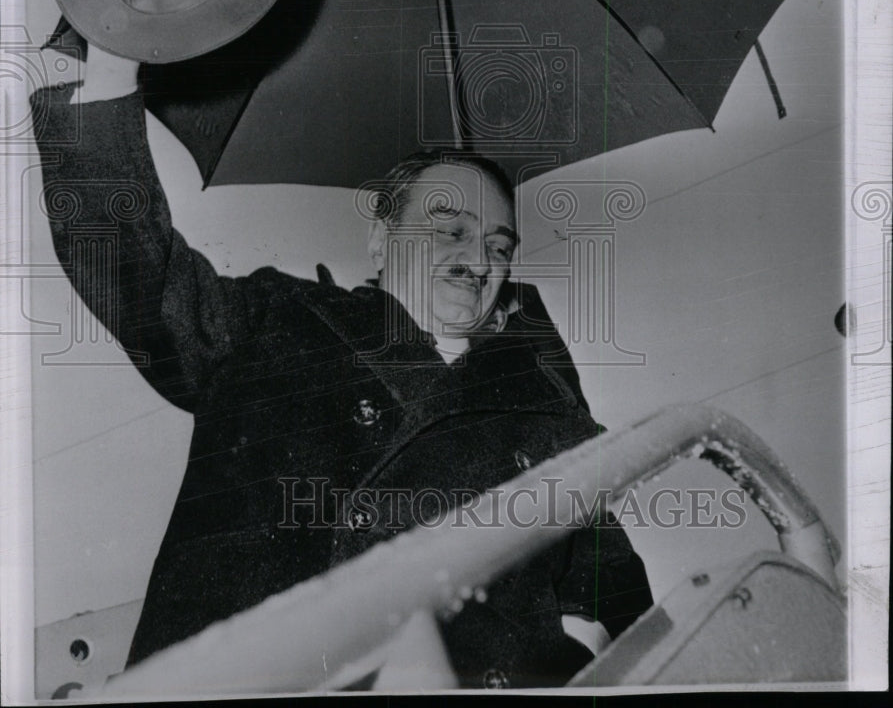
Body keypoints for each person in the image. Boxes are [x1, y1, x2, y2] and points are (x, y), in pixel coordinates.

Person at [30, 41, 653, 690]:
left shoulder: (540, 408)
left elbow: (610, 592)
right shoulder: (279, 321)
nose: (479, 257)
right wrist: (111, 66)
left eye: (499, 244)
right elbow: (139, 274)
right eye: (451, 230)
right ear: (381, 241)